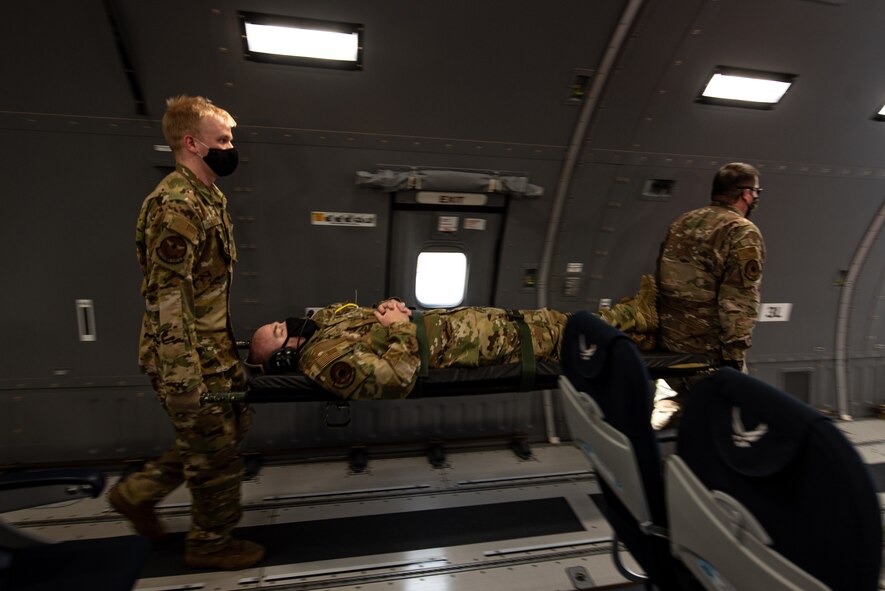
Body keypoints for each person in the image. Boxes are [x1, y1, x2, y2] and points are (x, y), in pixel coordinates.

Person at [108, 95, 264, 570]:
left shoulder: (208, 196)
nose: (231, 146)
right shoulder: (175, 206)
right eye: (223, 139)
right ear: (192, 143)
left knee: (229, 430)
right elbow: (167, 299)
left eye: (231, 138)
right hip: (188, 357)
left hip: (212, 349)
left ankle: (136, 494)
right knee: (215, 454)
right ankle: (210, 543)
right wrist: (183, 380)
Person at [248, 299, 569, 399]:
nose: (286, 324)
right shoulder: (327, 361)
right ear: (285, 356)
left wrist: (388, 307)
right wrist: (399, 325)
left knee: (564, 322)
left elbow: (345, 313)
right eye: (279, 331)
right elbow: (396, 378)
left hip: (482, 323)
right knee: (580, 337)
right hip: (480, 345)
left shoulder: (322, 330)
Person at [653, 162, 766, 427]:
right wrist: (735, 356)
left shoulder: (683, 221)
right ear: (746, 193)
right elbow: (738, 297)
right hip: (710, 350)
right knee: (721, 422)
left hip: (671, 343)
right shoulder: (741, 230)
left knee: (675, 419)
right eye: (757, 191)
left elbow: (662, 276)